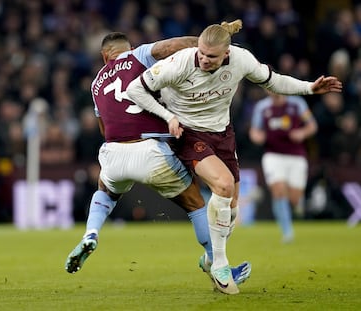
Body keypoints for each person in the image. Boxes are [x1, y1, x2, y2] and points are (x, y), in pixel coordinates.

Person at [126, 19, 342, 294]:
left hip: (222, 134)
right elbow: (136, 88)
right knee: (224, 185)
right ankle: (220, 265)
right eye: (201, 53)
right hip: (188, 133)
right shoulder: (179, 63)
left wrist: (310, 88)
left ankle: (209, 259)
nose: (203, 59)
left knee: (232, 207)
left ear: (226, 53)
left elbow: (274, 82)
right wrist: (167, 116)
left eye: (211, 56)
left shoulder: (241, 60)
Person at [64, 32, 251, 293]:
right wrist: (207, 43)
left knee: (106, 190)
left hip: (113, 152)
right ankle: (218, 265)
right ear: (127, 48)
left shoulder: (96, 83)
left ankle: (90, 234)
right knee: (196, 203)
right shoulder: (138, 56)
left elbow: (104, 127)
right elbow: (172, 46)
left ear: (104, 56)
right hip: (150, 151)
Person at [249, 92, 318, 243]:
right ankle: (287, 232)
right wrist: (257, 137)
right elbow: (254, 130)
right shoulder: (262, 107)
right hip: (273, 155)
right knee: (278, 191)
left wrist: (302, 132)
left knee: (293, 198)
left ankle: (294, 207)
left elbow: (312, 125)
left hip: (296, 155)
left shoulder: (297, 104)